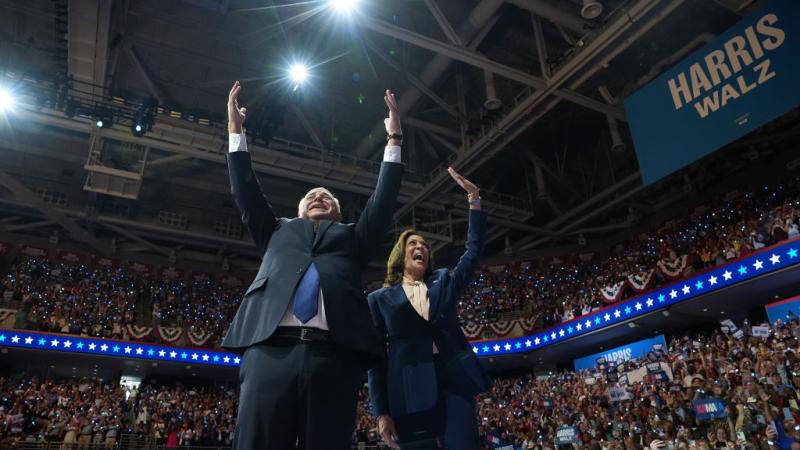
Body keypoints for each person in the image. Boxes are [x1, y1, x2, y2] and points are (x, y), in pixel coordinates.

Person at [222, 81, 405, 450]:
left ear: (337, 212)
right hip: (270, 350)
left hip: (332, 356)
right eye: (311, 195)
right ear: (300, 210)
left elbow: (383, 203)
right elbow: (246, 190)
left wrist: (395, 141)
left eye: (327, 196)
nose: (319, 195)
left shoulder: (353, 237)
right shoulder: (276, 231)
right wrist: (236, 133)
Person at [367, 167, 491, 449]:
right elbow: (375, 363)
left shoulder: (444, 281)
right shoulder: (379, 299)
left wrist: (474, 199)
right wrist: (381, 412)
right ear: (401, 254)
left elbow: (472, 252)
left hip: (454, 378)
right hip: (408, 388)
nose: (420, 246)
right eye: (413, 243)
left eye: (424, 244)